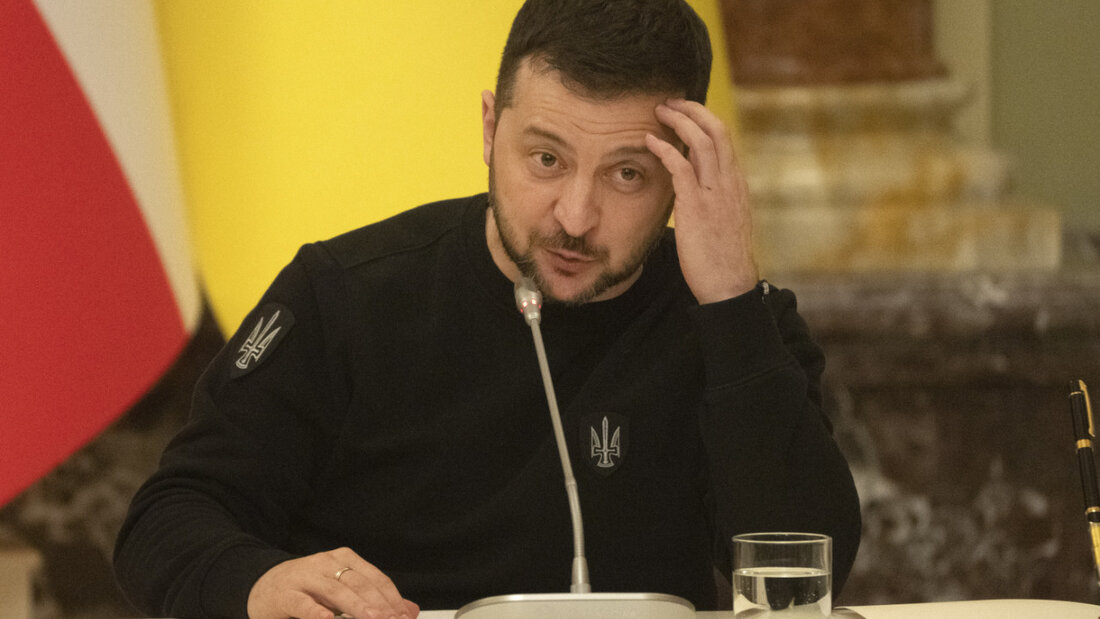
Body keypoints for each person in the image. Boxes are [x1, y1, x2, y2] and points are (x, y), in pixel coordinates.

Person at [114, 1, 862, 617]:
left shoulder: (729, 314)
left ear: (681, 177)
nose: (574, 215)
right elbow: (169, 516)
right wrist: (255, 582)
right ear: (488, 129)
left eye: (627, 174)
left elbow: (807, 571)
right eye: (546, 159)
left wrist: (730, 305)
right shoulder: (345, 293)